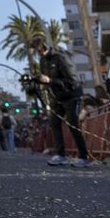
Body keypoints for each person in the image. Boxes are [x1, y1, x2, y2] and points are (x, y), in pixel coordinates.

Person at [29, 33, 90, 167]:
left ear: (45, 46)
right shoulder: (42, 61)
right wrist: (37, 81)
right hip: (57, 97)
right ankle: (60, 155)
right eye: (37, 52)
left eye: (40, 50)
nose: (39, 54)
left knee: (73, 125)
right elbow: (46, 80)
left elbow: (72, 81)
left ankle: (83, 157)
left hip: (72, 95)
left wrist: (50, 80)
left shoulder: (61, 57)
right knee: (54, 123)